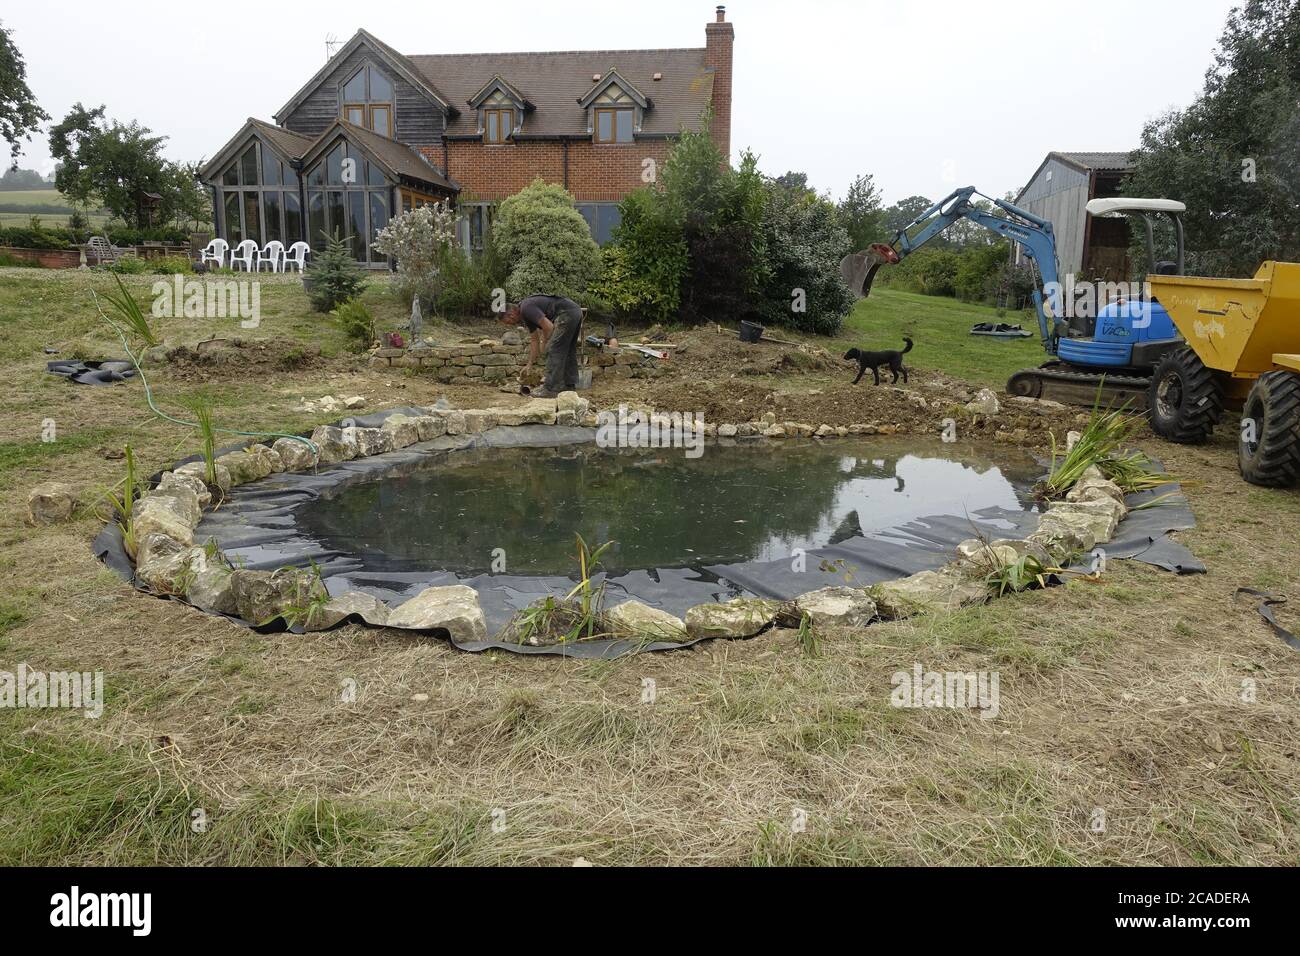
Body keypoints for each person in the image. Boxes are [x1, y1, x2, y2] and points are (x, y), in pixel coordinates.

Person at [501, 295, 584, 397]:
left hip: (566, 313)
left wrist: (545, 343)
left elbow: (549, 327)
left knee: (553, 350)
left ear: (511, 315)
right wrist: (529, 364)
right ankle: (569, 386)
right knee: (567, 350)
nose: (509, 324)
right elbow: (534, 340)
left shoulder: (526, 308)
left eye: (507, 322)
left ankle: (550, 389)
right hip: (574, 311)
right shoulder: (526, 314)